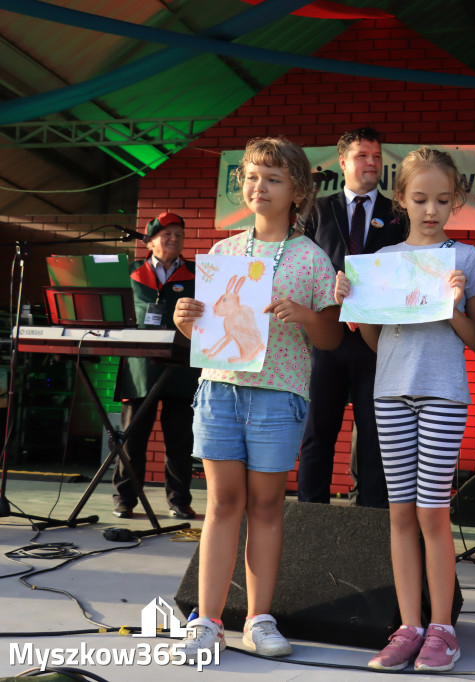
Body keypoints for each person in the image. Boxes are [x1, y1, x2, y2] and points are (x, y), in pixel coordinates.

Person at [172, 137, 344, 656]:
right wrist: (186, 321)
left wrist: (309, 315)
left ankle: (259, 619)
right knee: (223, 503)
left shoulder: (312, 259)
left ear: (298, 191)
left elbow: (332, 339)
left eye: (272, 178)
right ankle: (206, 620)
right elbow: (204, 329)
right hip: (221, 390)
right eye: (250, 176)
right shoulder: (223, 252)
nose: (258, 186)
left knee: (267, 506)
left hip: (279, 396)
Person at [334, 147, 475, 672]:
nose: (431, 209)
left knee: (432, 512)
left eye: (443, 200)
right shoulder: (384, 262)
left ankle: (442, 627)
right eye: (420, 198)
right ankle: (408, 625)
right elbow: (381, 344)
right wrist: (355, 307)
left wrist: (451, 306)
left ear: (456, 201)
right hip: (389, 392)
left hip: (444, 392)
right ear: (400, 198)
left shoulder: (466, 260)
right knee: (398, 512)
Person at [297, 127, 404, 507]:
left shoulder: (398, 213)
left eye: (377, 156)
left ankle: (372, 516)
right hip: (325, 338)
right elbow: (300, 269)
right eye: (363, 155)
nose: (372, 162)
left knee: (375, 435)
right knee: (318, 431)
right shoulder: (317, 209)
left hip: (376, 341)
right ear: (343, 162)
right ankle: (311, 512)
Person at [113, 212, 201, 520]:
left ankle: (178, 500)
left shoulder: (197, 273)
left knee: (180, 439)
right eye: (167, 235)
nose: (174, 240)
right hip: (139, 369)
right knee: (132, 438)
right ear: (150, 241)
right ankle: (124, 499)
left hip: (182, 367)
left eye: (179, 235)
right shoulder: (130, 272)